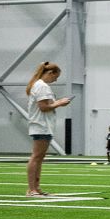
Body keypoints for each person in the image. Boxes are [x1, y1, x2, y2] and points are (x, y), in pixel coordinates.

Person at [24, 61, 71, 196]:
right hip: (41, 125)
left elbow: (46, 105)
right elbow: (43, 107)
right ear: (50, 73)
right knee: (36, 157)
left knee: (39, 157)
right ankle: (32, 189)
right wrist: (59, 103)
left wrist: (57, 103)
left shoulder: (39, 85)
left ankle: (35, 188)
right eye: (55, 77)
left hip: (43, 125)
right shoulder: (41, 86)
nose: (55, 80)